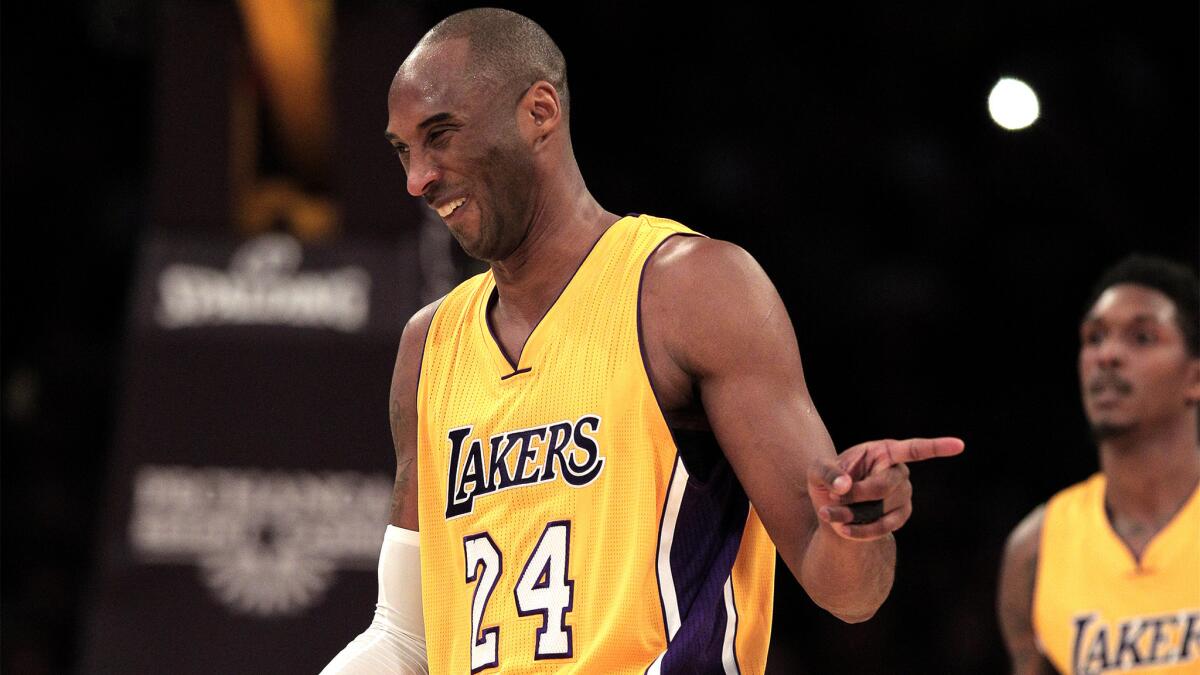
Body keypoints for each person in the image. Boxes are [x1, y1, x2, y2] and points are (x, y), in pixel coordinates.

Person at [324, 8, 963, 674]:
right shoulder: (428, 347)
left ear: (539, 111)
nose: (417, 178)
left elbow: (849, 591)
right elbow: (404, 637)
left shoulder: (689, 290)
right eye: (404, 150)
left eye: (441, 135)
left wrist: (855, 524)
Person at [997, 255, 1200, 675]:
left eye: (1142, 338)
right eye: (1094, 338)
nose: (1107, 355)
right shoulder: (1035, 549)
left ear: (1195, 378)